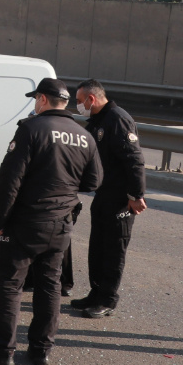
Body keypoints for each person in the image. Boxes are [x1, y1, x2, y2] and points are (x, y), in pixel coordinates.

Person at [0, 78, 102, 365]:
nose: (34, 104)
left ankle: (2, 352)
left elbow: (9, 181)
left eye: (35, 99)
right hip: (60, 224)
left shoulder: (31, 129)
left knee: (9, 286)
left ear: (43, 100)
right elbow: (93, 181)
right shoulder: (84, 136)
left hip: (25, 223)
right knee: (49, 285)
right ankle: (40, 350)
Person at [69, 79, 147, 319]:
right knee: (98, 247)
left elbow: (134, 160)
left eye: (81, 102)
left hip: (121, 197)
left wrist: (136, 195)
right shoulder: (98, 120)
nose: (79, 106)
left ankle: (108, 299)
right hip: (103, 194)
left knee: (114, 249)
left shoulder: (117, 119)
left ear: (92, 99)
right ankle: (96, 293)